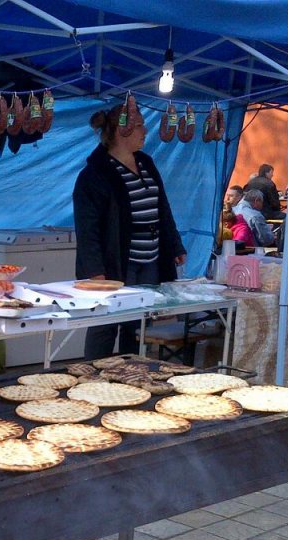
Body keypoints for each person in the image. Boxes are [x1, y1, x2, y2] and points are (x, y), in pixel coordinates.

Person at [73, 101, 185, 358]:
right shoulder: (94, 174)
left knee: (137, 324)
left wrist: (175, 244)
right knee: (105, 322)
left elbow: (162, 207)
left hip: (150, 259)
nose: (145, 131)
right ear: (121, 130)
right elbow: (87, 229)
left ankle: (130, 371)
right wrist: (95, 271)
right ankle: (92, 372)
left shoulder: (145, 162)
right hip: (117, 261)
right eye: (139, 126)